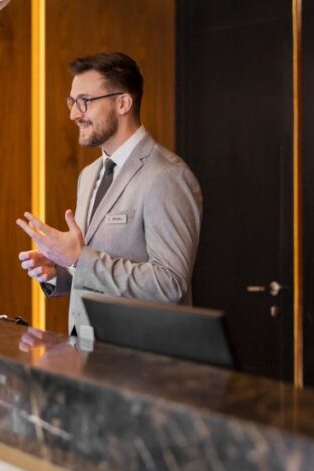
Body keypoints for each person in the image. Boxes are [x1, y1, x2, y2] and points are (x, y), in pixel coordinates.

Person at [16, 52, 203, 335]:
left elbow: (170, 284)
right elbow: (95, 266)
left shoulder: (167, 176)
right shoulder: (89, 175)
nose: (74, 114)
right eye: (72, 102)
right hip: (88, 351)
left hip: (141, 363)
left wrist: (79, 258)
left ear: (123, 103)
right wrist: (63, 271)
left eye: (84, 102)